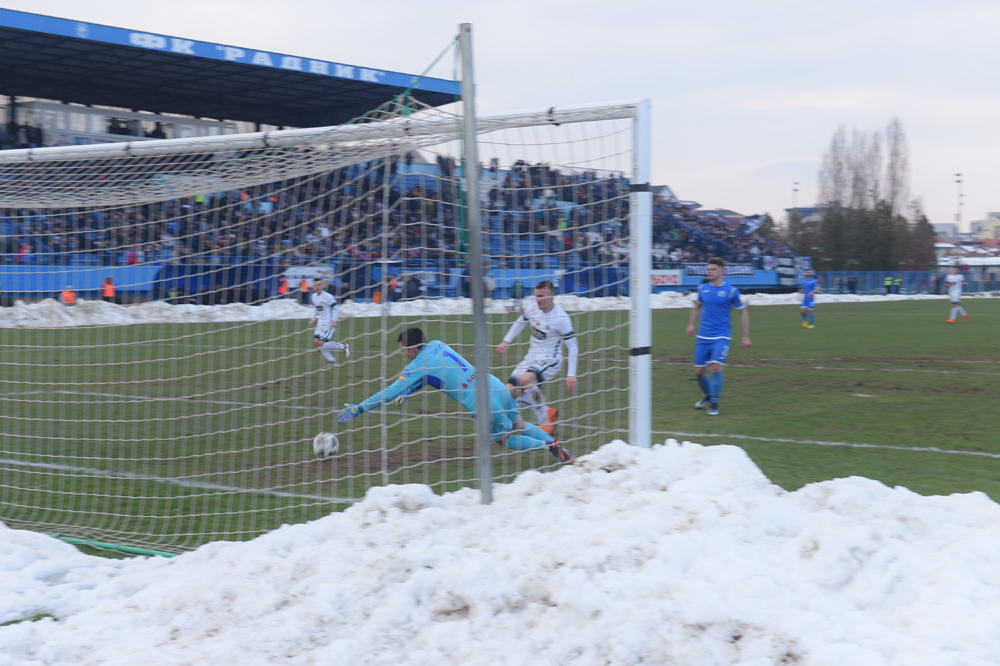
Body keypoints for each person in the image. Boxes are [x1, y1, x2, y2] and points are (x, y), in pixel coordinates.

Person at [338, 327, 573, 462]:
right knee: (519, 422)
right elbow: (435, 375)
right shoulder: (439, 344)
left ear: (411, 349)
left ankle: (547, 448)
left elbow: (388, 393)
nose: (403, 354)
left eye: (403, 350)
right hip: (494, 385)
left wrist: (358, 408)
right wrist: (410, 389)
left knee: (502, 439)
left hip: (480, 402)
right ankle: (558, 446)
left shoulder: (416, 366)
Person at [495, 279, 578, 436]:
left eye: (542, 296)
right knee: (509, 393)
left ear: (552, 296)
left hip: (550, 361)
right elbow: (520, 322)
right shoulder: (533, 308)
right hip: (531, 358)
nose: (538, 300)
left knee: (526, 380)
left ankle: (546, 421)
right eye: (536, 296)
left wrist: (571, 375)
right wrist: (506, 341)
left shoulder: (562, 319)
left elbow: (573, 347)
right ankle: (540, 415)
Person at [685, 257, 751, 416]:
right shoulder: (702, 289)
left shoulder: (731, 291)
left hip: (722, 335)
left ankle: (714, 404)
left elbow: (743, 312)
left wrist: (745, 336)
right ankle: (708, 395)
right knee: (699, 372)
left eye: (713, 269)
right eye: (709, 269)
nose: (710, 272)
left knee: (715, 367)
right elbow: (696, 307)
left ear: (722, 272)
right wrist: (691, 324)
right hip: (703, 336)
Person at [308, 278, 350, 365]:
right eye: (316, 285)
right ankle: (332, 361)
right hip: (320, 323)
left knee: (322, 343)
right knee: (316, 343)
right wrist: (313, 319)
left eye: (319, 284)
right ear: (313, 287)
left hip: (329, 323)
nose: (318, 286)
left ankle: (344, 347)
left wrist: (333, 321)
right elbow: (317, 308)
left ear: (322, 286)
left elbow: (336, 308)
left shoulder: (327, 296)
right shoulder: (313, 297)